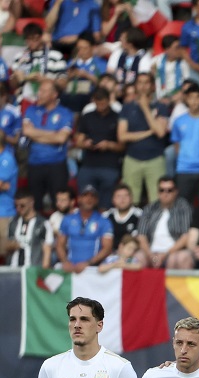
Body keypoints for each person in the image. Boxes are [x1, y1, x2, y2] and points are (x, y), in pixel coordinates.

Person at [118, 72, 170, 206]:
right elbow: (122, 136)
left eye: (146, 83)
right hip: (132, 159)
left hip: (155, 159)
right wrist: (147, 133)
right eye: (140, 83)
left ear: (153, 86)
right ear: (135, 86)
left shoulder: (161, 107)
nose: (143, 86)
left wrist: (145, 108)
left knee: (158, 201)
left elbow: (159, 132)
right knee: (130, 200)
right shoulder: (127, 107)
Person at [23, 81, 74, 213]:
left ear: (54, 94)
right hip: (34, 163)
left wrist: (36, 133)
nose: (40, 94)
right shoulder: (31, 110)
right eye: (39, 91)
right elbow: (27, 131)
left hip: (56, 165)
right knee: (35, 204)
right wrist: (53, 134)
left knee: (59, 204)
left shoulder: (65, 112)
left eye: (44, 91)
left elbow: (61, 138)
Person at [74, 86, 123, 209]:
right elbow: (78, 141)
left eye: (103, 102)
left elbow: (123, 146)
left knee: (106, 203)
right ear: (93, 101)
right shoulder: (87, 116)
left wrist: (108, 145)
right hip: (88, 165)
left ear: (108, 100)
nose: (101, 105)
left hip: (109, 166)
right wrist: (85, 144)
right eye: (98, 103)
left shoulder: (118, 117)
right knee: (86, 201)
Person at [170, 84, 199, 204]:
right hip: (184, 170)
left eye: (197, 97)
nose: (194, 101)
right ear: (186, 99)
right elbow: (176, 145)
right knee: (183, 207)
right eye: (191, 98)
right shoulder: (179, 121)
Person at [136, 178, 193, 269]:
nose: (165, 194)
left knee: (180, 258)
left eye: (169, 190)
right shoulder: (149, 208)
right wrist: (151, 255)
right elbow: (141, 236)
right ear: (158, 192)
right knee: (137, 258)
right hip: (151, 251)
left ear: (176, 192)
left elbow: (185, 236)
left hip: (174, 251)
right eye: (162, 190)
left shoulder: (183, 207)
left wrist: (165, 254)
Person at [55, 186, 114, 272]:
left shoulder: (104, 221)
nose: (89, 199)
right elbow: (59, 244)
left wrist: (88, 263)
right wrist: (65, 262)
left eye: (92, 196)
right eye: (85, 196)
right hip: (70, 267)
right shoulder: (68, 219)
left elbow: (107, 248)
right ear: (79, 199)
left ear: (96, 200)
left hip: (93, 268)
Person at [8, 190, 52, 268]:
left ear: (31, 203)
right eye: (16, 205)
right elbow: (7, 245)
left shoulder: (43, 224)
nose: (18, 209)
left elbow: (47, 250)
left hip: (32, 271)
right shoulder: (13, 222)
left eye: (22, 205)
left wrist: (43, 271)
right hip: (13, 269)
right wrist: (11, 245)